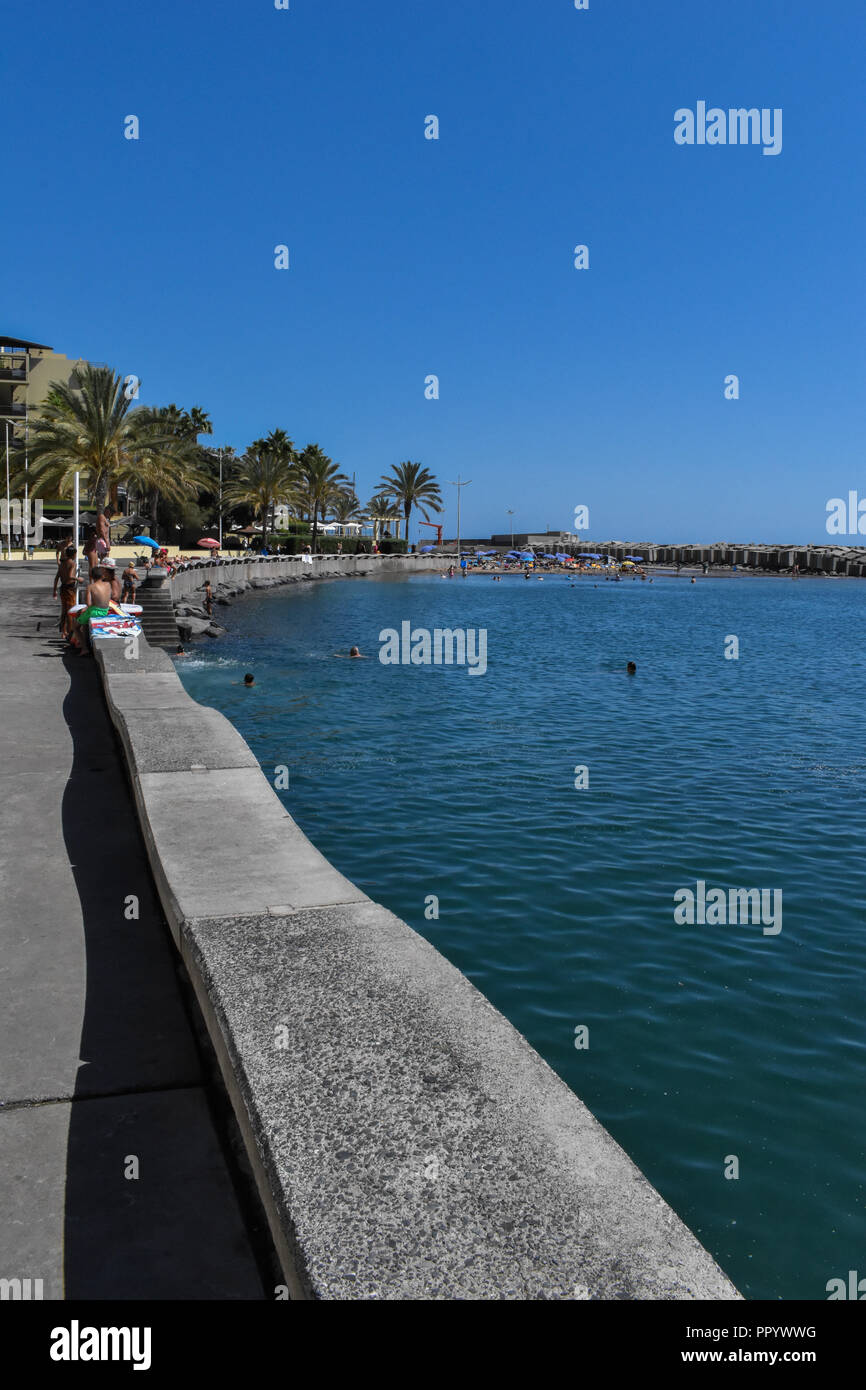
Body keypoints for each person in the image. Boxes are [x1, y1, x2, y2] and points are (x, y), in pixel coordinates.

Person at [73, 568, 114, 654]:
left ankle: (84, 648)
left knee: (76, 627)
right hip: (105, 610)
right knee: (83, 616)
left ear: (91, 576)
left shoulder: (91, 586)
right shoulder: (108, 584)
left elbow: (88, 603)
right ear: (102, 576)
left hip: (94, 611)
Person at [53, 545, 78, 638]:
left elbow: (56, 578)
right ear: (74, 554)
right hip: (70, 588)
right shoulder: (72, 563)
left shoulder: (62, 564)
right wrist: (78, 579)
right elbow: (71, 575)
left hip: (63, 587)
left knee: (64, 611)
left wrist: (54, 591)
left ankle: (63, 631)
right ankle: (69, 631)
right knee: (71, 611)